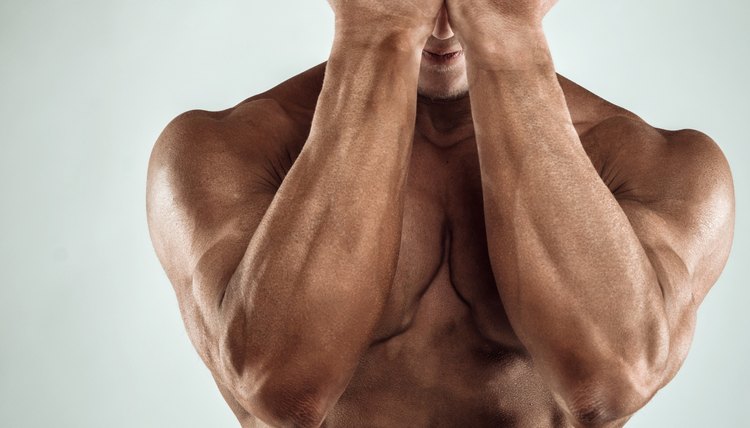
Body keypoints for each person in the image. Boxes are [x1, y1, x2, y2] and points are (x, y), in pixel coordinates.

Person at [145, 1, 735, 426]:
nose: (444, 16)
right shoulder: (219, 151)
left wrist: (507, 41)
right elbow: (282, 387)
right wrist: (375, 33)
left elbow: (611, 380)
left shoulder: (660, 165)